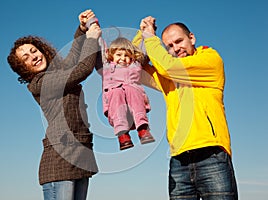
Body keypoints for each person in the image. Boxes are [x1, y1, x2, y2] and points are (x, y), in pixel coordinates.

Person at [133, 16, 238, 199]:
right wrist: (141, 34)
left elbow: (169, 67)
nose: (176, 48)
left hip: (212, 155)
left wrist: (150, 38)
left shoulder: (210, 59)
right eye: (169, 46)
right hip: (178, 160)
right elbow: (134, 68)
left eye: (179, 41)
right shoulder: (169, 74)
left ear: (192, 38)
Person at [7, 9, 101, 200]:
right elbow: (81, 70)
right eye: (25, 58)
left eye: (34, 50)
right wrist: (91, 40)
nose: (32, 56)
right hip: (59, 160)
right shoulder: (39, 84)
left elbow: (73, 59)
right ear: (22, 68)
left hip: (81, 152)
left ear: (42, 50)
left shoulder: (56, 73)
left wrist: (82, 30)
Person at [94, 35, 156, 151]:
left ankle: (143, 130)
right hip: (116, 106)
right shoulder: (106, 67)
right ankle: (123, 135)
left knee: (133, 89)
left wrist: (147, 32)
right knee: (116, 92)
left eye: (127, 55)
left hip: (135, 105)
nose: (123, 58)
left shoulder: (135, 66)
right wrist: (95, 29)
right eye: (119, 55)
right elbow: (100, 49)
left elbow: (144, 52)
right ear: (111, 55)